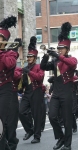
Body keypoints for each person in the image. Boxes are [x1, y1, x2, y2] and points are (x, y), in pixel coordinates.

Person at [40, 22, 77, 150]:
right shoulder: (55, 61)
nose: (60, 49)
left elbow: (70, 63)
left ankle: (68, 144)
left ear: (67, 50)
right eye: (58, 47)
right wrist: (46, 55)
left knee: (67, 120)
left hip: (67, 92)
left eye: (62, 48)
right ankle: (61, 138)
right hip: (56, 92)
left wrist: (58, 56)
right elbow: (42, 67)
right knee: (51, 116)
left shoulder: (72, 59)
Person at [19, 36, 45, 143]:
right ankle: (29, 130)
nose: (28, 58)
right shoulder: (26, 67)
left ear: (35, 58)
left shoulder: (39, 67)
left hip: (37, 91)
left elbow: (40, 78)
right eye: (28, 57)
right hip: (27, 92)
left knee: (36, 115)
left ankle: (37, 136)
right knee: (21, 111)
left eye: (31, 57)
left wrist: (28, 72)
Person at [0, 16, 19, 150]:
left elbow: (9, 64)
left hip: (5, 90)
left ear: (4, 41)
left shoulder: (11, 53)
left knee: (2, 120)